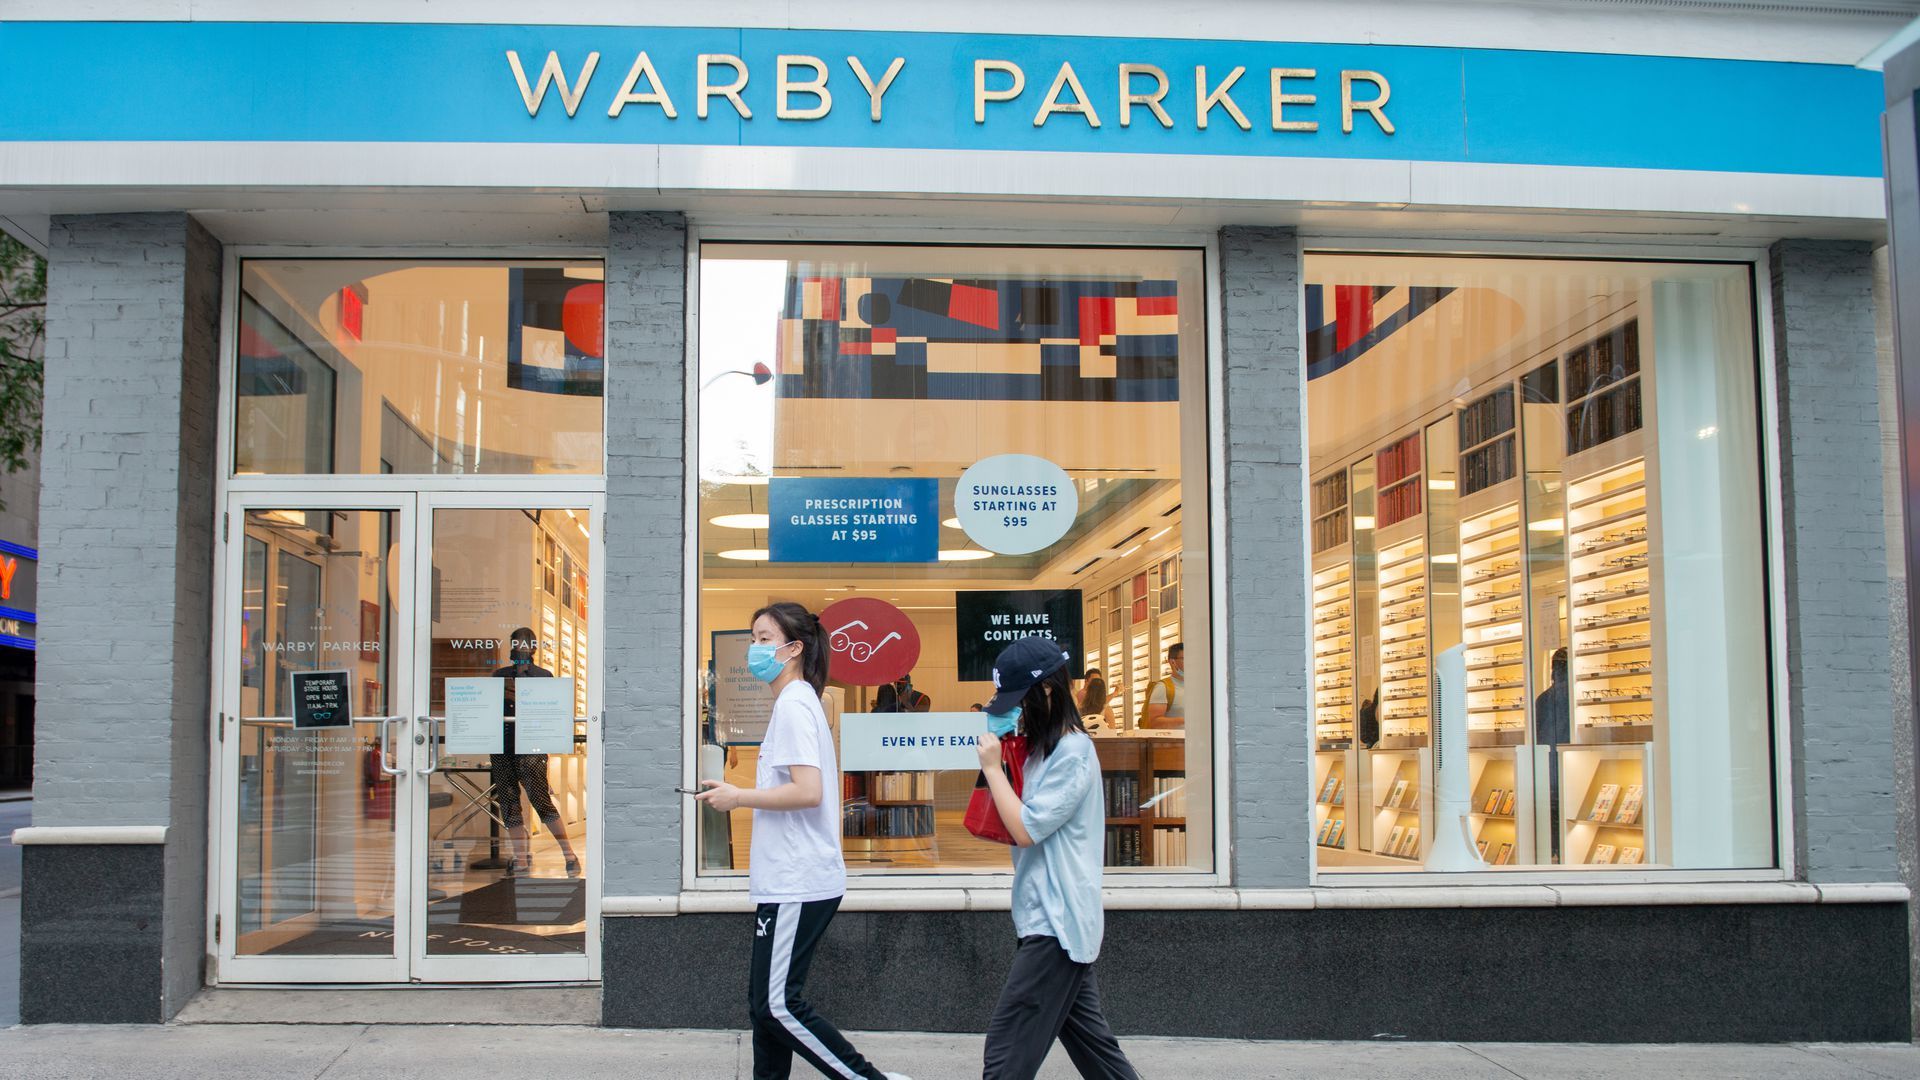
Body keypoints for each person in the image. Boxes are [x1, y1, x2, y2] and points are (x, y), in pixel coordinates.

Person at [695, 602, 910, 1080]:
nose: (755, 648)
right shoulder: (796, 701)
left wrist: (739, 796)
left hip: (798, 879)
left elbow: (807, 792)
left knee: (777, 1007)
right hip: (788, 879)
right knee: (763, 1007)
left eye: (764, 639)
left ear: (794, 648)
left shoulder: (794, 704)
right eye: (752, 638)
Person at [975, 635, 1140, 1080]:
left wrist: (993, 768)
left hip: (1058, 921)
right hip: (1047, 917)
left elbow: (1026, 830)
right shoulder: (1039, 750)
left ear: (1047, 690)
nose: (1015, 710)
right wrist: (1006, 755)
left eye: (1019, 701)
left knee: (1006, 1051)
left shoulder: (1073, 751)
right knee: (1098, 1053)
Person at [492, 627, 580, 878]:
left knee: (540, 799)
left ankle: (568, 854)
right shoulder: (500, 676)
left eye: (525, 643)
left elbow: (550, 713)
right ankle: (521, 858)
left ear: (533, 647)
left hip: (532, 744)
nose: (521, 648)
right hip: (503, 745)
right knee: (508, 802)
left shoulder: (543, 676)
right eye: (517, 643)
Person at [1533, 647, 1571, 863]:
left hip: (1547, 769)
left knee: (1551, 818)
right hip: (1565, 768)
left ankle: (1553, 855)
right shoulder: (1568, 697)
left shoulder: (1543, 698)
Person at [1141, 643, 1185, 730]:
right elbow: (1154, 722)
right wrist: (1187, 721)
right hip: (1176, 743)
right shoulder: (1163, 687)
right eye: (1184, 659)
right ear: (1172, 662)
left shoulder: (1203, 687)